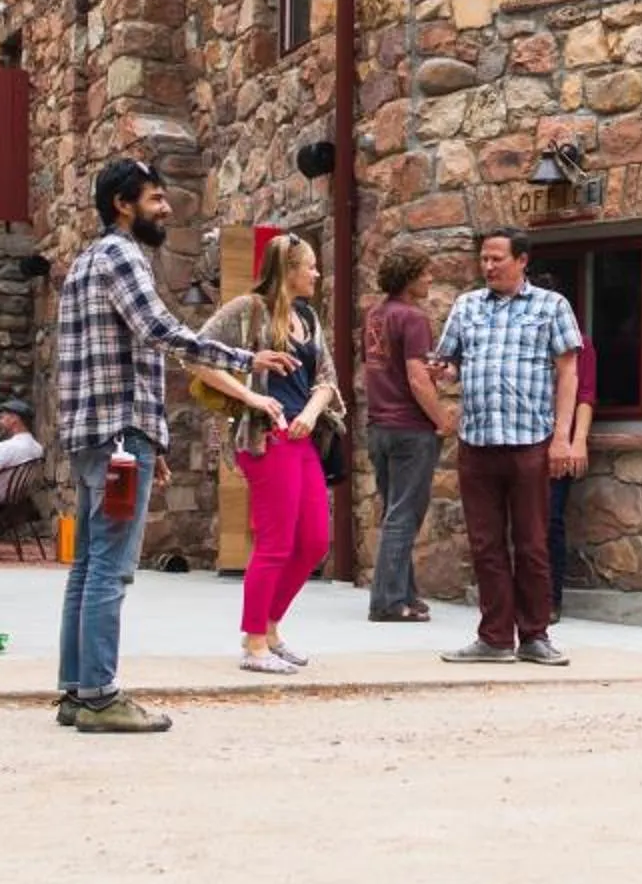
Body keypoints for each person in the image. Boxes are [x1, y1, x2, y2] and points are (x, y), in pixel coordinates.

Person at [55, 157, 294, 734]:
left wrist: (153, 444)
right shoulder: (121, 255)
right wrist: (244, 357)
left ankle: (74, 690)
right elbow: (158, 331)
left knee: (88, 566)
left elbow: (111, 359)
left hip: (93, 438)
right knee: (112, 570)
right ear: (123, 204)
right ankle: (99, 695)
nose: (166, 210)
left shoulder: (85, 262)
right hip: (118, 438)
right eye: (156, 199)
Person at [428, 226, 582, 668]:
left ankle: (534, 635)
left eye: (497, 258)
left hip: (530, 441)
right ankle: (495, 637)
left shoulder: (552, 306)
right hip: (477, 440)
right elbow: (452, 362)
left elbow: (568, 372)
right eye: (484, 259)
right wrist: (443, 373)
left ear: (522, 260)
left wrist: (563, 437)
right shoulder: (466, 306)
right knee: (484, 544)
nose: (489, 266)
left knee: (532, 543)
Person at [192, 232, 340, 674]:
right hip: (266, 440)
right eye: (310, 265)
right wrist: (252, 398)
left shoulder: (309, 317)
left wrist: (312, 414)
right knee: (275, 542)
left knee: (314, 541)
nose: (316, 273)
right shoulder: (248, 310)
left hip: (303, 438)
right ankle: (255, 644)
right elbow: (197, 355)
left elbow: (327, 379)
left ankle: (269, 629)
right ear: (289, 269)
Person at [361, 245, 451, 623]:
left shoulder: (375, 315)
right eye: (426, 273)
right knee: (405, 514)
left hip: (379, 427)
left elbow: (397, 368)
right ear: (411, 278)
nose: (431, 279)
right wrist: (443, 418)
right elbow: (415, 379)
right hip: (411, 430)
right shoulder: (413, 318)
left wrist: (432, 373)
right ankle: (387, 601)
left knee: (396, 510)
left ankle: (407, 594)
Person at [546, 329, 597, 620]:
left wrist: (578, 440)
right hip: (526, 438)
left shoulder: (577, 342)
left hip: (560, 440)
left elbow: (585, 394)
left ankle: (551, 599)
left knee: (551, 517)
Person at [0, 397, 43, 482]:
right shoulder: (38, 448)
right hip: (11, 493)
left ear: (14, 419)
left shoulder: (10, 447)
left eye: (2, 418)